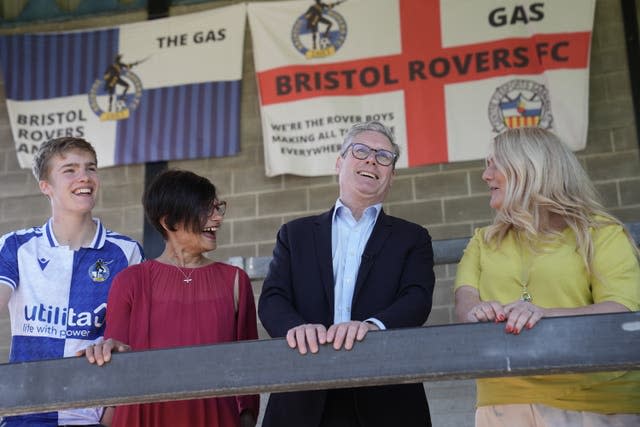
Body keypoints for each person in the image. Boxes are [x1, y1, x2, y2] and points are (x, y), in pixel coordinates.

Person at [454, 127, 640, 427]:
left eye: (494, 164)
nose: (485, 175)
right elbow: (466, 302)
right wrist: (478, 312)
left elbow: (621, 309)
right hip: (502, 399)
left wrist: (544, 315)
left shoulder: (602, 233)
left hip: (597, 401)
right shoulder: (483, 240)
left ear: (530, 168)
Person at [258, 120, 435, 427]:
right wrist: (295, 328)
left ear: (391, 175)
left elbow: (417, 297)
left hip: (385, 398)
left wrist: (373, 327)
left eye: (384, 156)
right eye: (361, 150)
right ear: (339, 163)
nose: (371, 160)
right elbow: (273, 297)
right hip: (303, 395)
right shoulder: (294, 234)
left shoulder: (414, 238)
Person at [84, 169, 259, 427]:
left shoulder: (234, 280)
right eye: (206, 210)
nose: (218, 218)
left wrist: (245, 419)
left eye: (218, 208)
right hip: (142, 417)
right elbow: (115, 363)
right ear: (169, 221)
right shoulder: (130, 280)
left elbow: (249, 370)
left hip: (215, 418)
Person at [0, 137, 144, 426]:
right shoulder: (16, 246)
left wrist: (112, 414)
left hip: (90, 417)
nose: (85, 177)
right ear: (46, 186)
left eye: (90, 168)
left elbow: (139, 339)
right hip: (23, 416)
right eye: (70, 170)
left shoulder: (126, 252)